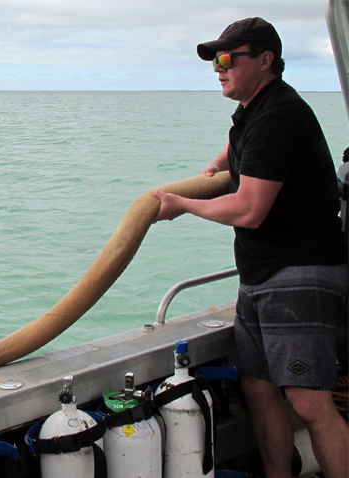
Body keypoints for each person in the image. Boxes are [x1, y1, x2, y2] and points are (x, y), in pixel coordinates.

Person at [153, 17, 348, 478]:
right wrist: (220, 160)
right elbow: (242, 140)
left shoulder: (279, 115)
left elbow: (249, 210)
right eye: (215, 61)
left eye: (227, 59)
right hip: (261, 276)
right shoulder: (256, 113)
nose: (218, 69)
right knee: (258, 388)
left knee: (308, 400)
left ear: (265, 61)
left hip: (300, 274)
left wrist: (182, 204)